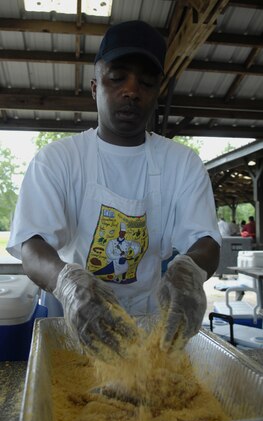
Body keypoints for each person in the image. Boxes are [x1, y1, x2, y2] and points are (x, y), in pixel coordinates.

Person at [7, 20, 221, 357]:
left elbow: (205, 242)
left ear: (157, 91)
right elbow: (32, 246)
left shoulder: (182, 164)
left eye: (146, 82)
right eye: (117, 77)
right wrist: (69, 285)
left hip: (150, 330)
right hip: (71, 328)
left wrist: (189, 271)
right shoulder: (58, 160)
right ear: (95, 87)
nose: (132, 91)